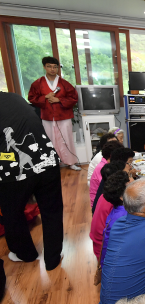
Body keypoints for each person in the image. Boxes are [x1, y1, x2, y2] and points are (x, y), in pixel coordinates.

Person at [0, 92, 63, 271]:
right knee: (52, 211)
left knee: (13, 213)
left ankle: (25, 254)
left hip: (13, 168)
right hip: (47, 159)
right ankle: (53, 259)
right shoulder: (14, 97)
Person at [28, 56, 81, 171]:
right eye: (49, 66)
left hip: (64, 116)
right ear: (44, 67)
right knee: (50, 139)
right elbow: (32, 98)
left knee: (67, 138)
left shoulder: (64, 83)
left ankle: (70, 162)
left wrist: (59, 100)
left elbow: (74, 98)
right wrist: (45, 97)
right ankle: (53, 163)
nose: (52, 69)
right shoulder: (37, 83)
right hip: (47, 116)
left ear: (57, 68)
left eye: (55, 67)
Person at [90, 164, 133, 259]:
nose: (133, 180)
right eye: (130, 177)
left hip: (99, 242)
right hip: (104, 249)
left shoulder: (107, 196)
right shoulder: (122, 215)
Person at [99, 171, 130, 267]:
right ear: (121, 197)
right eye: (130, 186)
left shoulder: (118, 210)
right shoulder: (125, 217)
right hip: (119, 267)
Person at [90, 141, 124, 207]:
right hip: (99, 204)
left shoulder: (105, 163)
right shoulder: (103, 168)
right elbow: (113, 187)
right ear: (111, 156)